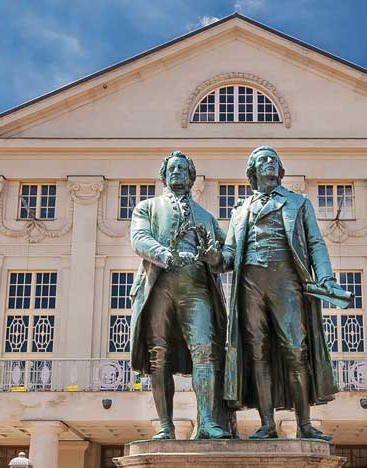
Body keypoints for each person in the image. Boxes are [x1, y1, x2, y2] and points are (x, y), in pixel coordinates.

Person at [221, 146, 346, 440]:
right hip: (250, 283)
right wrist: (211, 256)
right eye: (263, 160)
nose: (269, 164)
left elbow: (315, 243)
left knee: (295, 349)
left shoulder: (298, 203)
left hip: (286, 281)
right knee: (257, 353)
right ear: (252, 171)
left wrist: (325, 276)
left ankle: (304, 423)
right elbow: (228, 254)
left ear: (280, 170)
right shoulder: (241, 209)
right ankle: (266, 424)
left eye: (273, 160)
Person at [129, 151, 231, 440]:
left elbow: (227, 254)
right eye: (171, 169)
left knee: (205, 352)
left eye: (182, 169)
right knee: (158, 356)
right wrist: (164, 254)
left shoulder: (206, 217)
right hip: (159, 285)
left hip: (197, 288)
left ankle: (208, 422)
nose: (176, 173)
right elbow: (139, 238)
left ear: (191, 176)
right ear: (164, 175)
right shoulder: (147, 208)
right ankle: (165, 425)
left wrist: (216, 258)